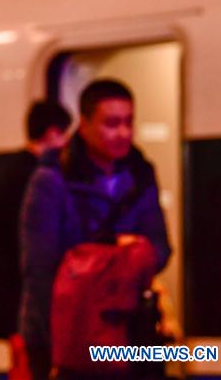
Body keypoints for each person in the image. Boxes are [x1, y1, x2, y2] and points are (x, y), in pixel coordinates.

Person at [19, 79, 171, 380]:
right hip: (69, 332)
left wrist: (133, 258)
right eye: (112, 123)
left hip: (127, 329)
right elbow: (39, 270)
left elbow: (162, 247)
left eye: (129, 122)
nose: (123, 133)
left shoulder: (141, 174)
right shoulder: (51, 179)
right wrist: (51, 348)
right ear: (85, 125)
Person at [0, 100, 71, 339]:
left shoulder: (14, 168)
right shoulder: (36, 176)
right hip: (20, 288)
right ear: (53, 133)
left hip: (9, 285)